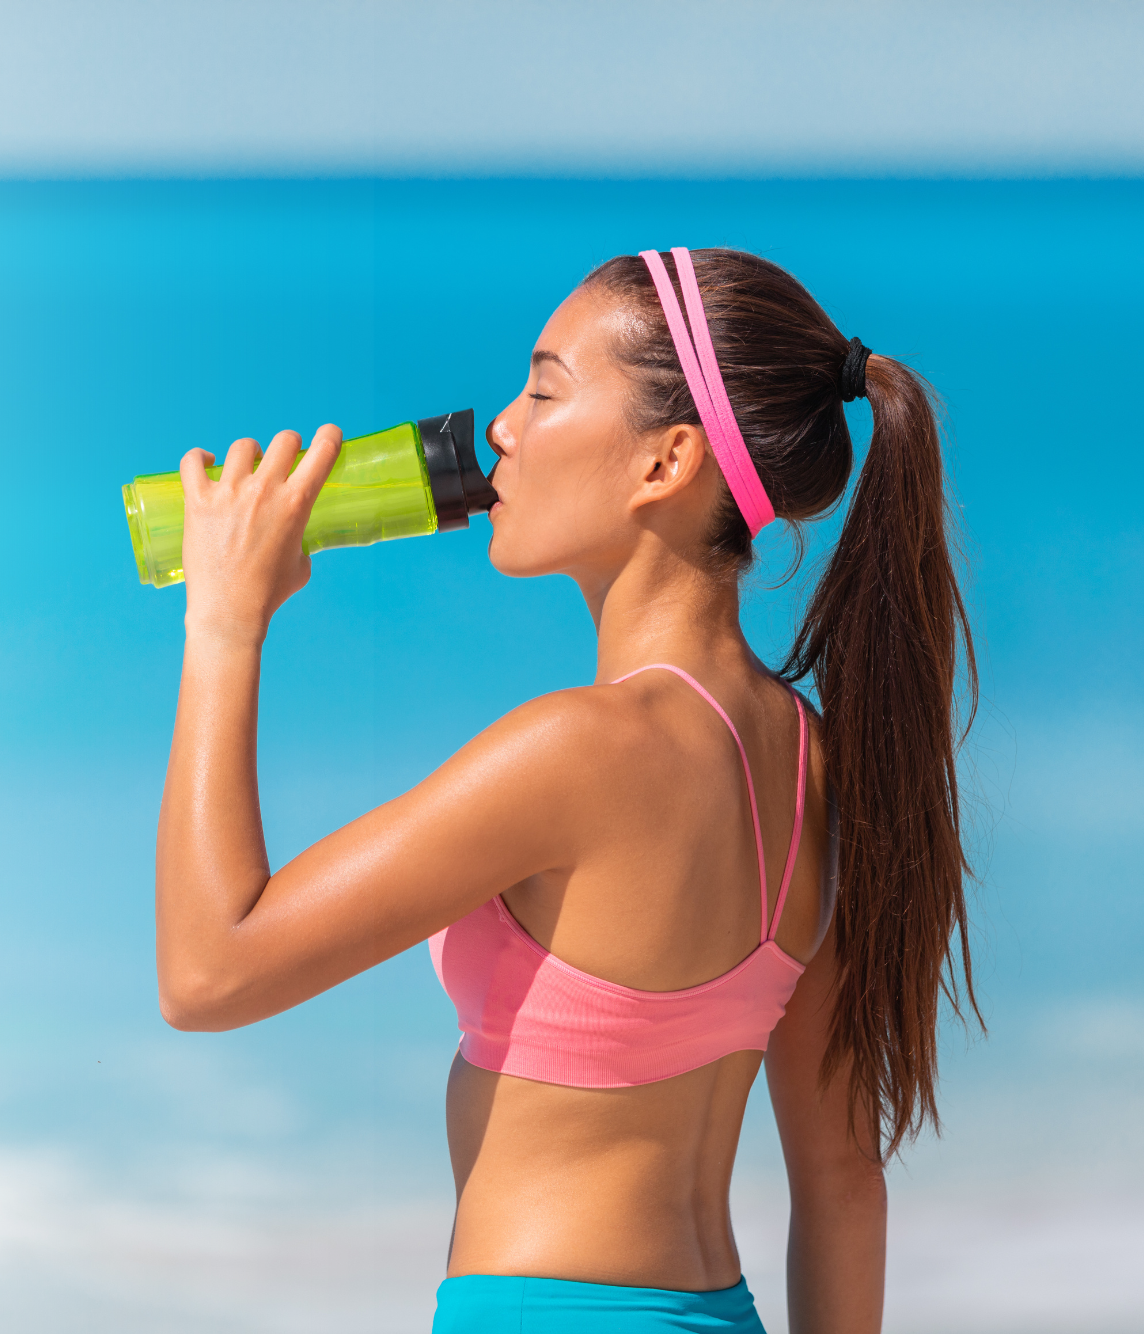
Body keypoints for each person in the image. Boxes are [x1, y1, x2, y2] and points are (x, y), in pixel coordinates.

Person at [153, 247, 976, 1333]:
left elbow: (210, 971)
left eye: (543, 390)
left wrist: (223, 623)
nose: (498, 427)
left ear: (664, 461)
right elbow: (839, 1183)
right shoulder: (813, 763)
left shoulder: (575, 750)